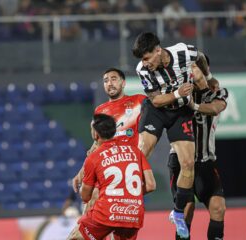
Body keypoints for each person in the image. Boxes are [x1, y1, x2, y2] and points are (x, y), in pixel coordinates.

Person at [132, 32, 211, 238]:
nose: (144, 63)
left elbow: (200, 56)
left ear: (158, 50)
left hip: (181, 113)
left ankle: (177, 212)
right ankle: (127, 196)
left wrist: (208, 77)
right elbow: (156, 100)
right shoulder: (142, 70)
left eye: (147, 57)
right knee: (143, 150)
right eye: (142, 59)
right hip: (157, 111)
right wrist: (178, 93)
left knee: (188, 164)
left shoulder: (184, 51)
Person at [72, 68, 156, 204]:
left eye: (113, 79)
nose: (109, 83)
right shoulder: (100, 110)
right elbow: (97, 144)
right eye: (106, 81)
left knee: (98, 199)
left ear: (123, 83)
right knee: (92, 201)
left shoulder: (139, 101)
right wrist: (81, 172)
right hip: (108, 164)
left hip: (128, 164)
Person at [168, 57, 228, 240]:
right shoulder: (180, 94)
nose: (191, 70)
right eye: (188, 67)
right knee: (187, 210)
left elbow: (216, 108)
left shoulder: (218, 92)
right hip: (181, 161)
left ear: (204, 69)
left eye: (194, 66)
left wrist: (194, 106)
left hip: (206, 162)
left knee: (218, 208)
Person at [69, 114, 148, 240]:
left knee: (75, 237)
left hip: (106, 212)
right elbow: (151, 185)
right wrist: (128, 197)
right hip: (133, 213)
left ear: (95, 134)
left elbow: (85, 196)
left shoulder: (94, 157)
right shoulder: (135, 151)